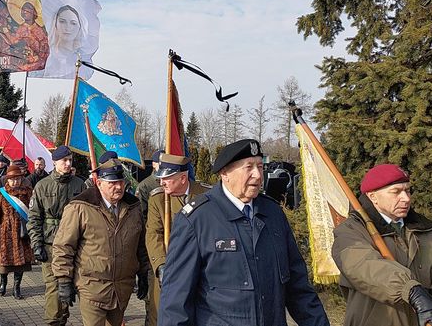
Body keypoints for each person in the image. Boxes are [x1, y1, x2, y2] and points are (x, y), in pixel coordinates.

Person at [159, 139, 329, 326]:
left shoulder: (272, 214)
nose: (257, 175)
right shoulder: (197, 220)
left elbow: (298, 288)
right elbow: (175, 302)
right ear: (225, 173)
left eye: (259, 166)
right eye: (249, 167)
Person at [331, 164, 432, 326]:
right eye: (396, 192)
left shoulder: (426, 231)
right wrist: (411, 290)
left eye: (407, 190)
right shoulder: (351, 231)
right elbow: (363, 266)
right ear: (373, 197)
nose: (406, 198)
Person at [52, 156, 150, 326]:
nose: (119, 187)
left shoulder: (133, 207)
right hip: (92, 287)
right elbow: (63, 247)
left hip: (122, 289)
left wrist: (143, 274)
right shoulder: (80, 207)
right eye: (112, 183)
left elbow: (141, 246)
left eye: (121, 182)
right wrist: (63, 280)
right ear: (99, 183)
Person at [145, 153, 209, 326]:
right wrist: (161, 265)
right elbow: (153, 234)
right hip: (169, 270)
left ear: (182, 178)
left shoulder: (206, 194)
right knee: (160, 317)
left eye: (167, 178)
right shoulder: (158, 199)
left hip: (202, 271)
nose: (161, 182)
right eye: (160, 177)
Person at [27, 146, 85, 326]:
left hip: (75, 244)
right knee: (53, 286)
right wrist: (36, 244)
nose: (68, 164)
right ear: (54, 162)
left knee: (71, 285)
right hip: (50, 244)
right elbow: (34, 217)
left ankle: (63, 317)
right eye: (64, 161)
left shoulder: (79, 184)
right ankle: (54, 321)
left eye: (70, 160)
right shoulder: (42, 185)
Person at [0, 164, 34, 299]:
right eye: (12, 179)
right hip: (4, 232)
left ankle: (17, 287)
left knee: (21, 264)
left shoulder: (28, 192)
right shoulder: (0, 193)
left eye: (17, 179)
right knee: (4, 262)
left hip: (22, 232)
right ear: (7, 179)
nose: (15, 182)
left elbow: (34, 212)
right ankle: (3, 282)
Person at [5, 2, 50, 71]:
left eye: (27, 11)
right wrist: (5, 30)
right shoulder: (22, 28)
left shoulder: (39, 29)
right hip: (25, 58)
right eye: (23, 10)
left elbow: (44, 45)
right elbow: (14, 41)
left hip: (38, 59)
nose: (25, 13)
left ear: (33, 13)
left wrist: (37, 57)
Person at [44, 5, 85, 78]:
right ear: (55, 25)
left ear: (79, 27)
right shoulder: (45, 55)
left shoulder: (81, 58)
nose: (67, 27)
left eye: (73, 23)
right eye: (62, 22)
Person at [136, 150, 163, 220]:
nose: (164, 166)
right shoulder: (144, 186)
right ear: (154, 164)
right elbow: (141, 214)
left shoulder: (173, 182)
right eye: (160, 163)